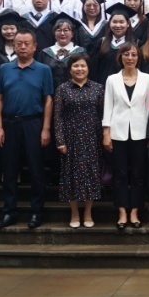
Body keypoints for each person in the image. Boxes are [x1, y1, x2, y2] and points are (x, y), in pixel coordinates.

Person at [0, 29, 55, 229]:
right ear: (13, 46)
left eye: (27, 43)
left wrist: (46, 128)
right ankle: (9, 212)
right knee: (9, 170)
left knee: (36, 170)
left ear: (35, 46)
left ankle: (36, 212)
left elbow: (48, 100)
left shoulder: (43, 70)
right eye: (18, 43)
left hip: (33, 124)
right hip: (9, 124)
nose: (22, 47)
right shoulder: (4, 69)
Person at [103, 42, 149, 229]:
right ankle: (122, 211)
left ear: (138, 58)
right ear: (121, 57)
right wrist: (106, 132)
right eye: (126, 54)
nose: (130, 58)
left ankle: (134, 211)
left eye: (133, 54)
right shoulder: (112, 80)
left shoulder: (147, 79)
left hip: (140, 133)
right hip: (118, 133)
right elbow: (108, 106)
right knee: (120, 173)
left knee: (138, 174)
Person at [53, 51, 105, 228]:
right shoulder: (62, 89)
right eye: (76, 65)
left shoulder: (98, 88)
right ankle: (74, 213)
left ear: (88, 68)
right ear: (70, 69)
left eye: (83, 65)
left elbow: (103, 114)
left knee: (91, 175)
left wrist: (105, 136)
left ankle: (88, 213)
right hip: (71, 138)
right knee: (70, 176)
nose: (79, 69)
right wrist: (60, 140)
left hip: (93, 138)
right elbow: (58, 116)